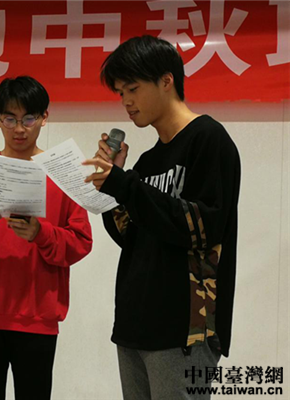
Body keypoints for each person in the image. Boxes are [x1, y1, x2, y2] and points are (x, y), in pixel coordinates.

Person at [83, 35, 241, 399]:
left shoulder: (208, 139)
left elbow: (203, 227)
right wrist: (114, 186)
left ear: (167, 81)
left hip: (184, 329)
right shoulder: (149, 160)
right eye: (120, 92)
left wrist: (127, 186)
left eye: (133, 89)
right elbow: (130, 236)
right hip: (135, 325)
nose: (126, 101)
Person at [0, 76, 93, 400]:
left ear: (44, 117)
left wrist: (42, 233)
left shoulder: (62, 174)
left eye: (28, 118)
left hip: (37, 318)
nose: (20, 129)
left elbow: (81, 242)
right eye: (10, 119)